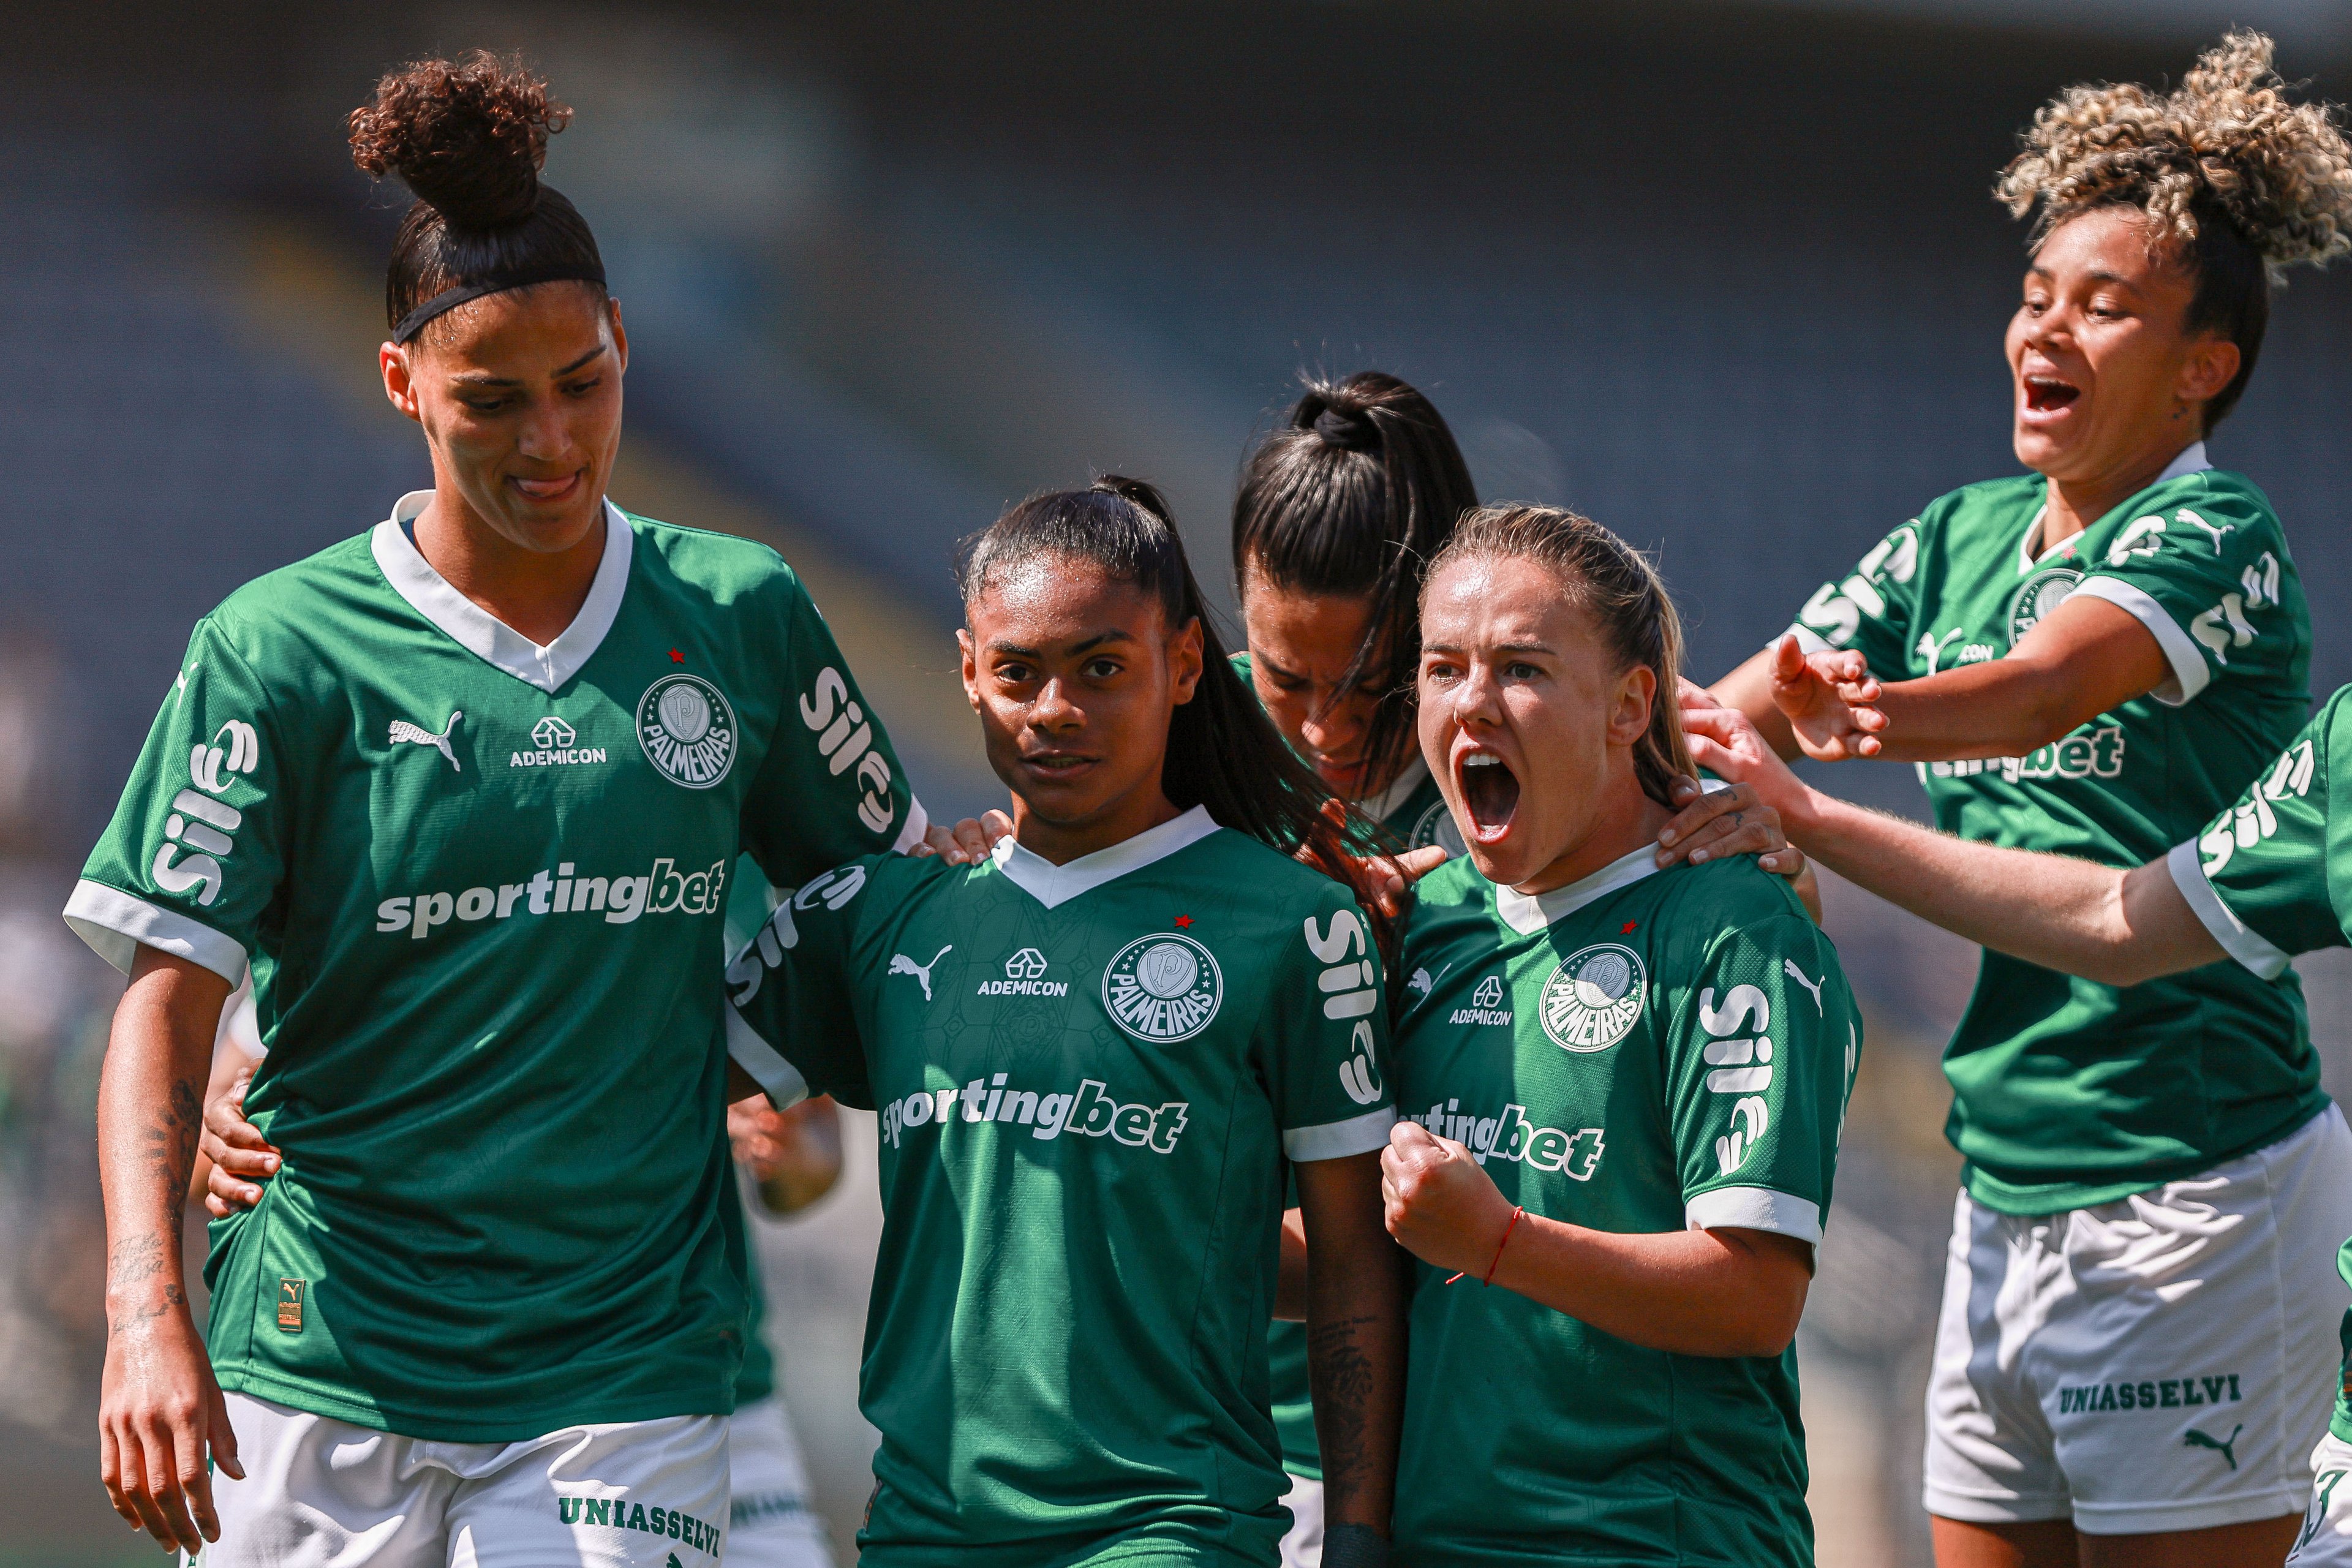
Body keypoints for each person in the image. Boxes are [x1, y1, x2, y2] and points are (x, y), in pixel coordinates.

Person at [70, 51, 976, 1558]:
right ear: (401, 383)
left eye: (585, 383)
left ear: (625, 342)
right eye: (493, 401)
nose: (551, 442)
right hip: (315, 1355)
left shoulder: (738, 614)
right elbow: (162, 1010)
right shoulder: (279, 650)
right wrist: (143, 1317)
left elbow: (877, 919)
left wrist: (970, 882)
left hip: (623, 1367)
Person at [1698, 31, 2352, 1564]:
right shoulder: (1957, 535)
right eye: (2037, 294)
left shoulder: (2218, 533)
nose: (2043, 328)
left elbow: (2047, 686)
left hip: (2195, 1185)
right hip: (2007, 1187)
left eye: (2103, 306)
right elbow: (1722, 713)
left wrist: (1852, 732)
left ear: (2207, 368)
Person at [722, 478, 1407, 1567]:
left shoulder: (1298, 927)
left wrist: (1361, 1530)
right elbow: (635, 1074)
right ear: (967, 672)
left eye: (1101, 668)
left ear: (1183, 664)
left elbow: (1351, 1257)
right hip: (921, 1530)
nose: (1054, 710)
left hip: (1166, 1528)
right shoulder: (883, 917)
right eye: (1018, 672)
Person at [1231, 371, 1810, 1566]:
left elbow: (1745, 909)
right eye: (1287, 679)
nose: (1329, 727)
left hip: (1538, 1492)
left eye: (1371, 676)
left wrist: (1780, 866)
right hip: (1267, 1447)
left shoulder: (1651, 822)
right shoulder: (1187, 757)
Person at [1680, 689, 2352, 1567]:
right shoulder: (2343, 746)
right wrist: (1798, 815)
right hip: (2012, 1225)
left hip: (2198, 1220)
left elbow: (2053, 683)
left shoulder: (2203, 553)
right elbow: (2117, 919)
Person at [1379, 505, 1861, 1566]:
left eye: (1522, 669)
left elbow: (1754, 1294)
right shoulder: (1418, 921)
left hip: (1651, 1541)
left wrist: (1499, 1242)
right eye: (1443, 668)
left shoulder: (1733, 927)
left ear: (1630, 705)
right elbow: (1372, 1244)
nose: (1472, 704)